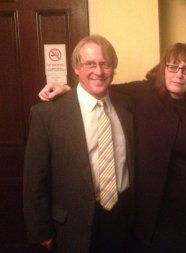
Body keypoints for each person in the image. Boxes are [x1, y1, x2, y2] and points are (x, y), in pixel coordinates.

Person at [38, 43, 186, 252]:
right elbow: (100, 86)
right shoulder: (143, 93)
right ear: (162, 68)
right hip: (149, 213)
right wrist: (66, 89)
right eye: (173, 67)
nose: (179, 74)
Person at [23, 35, 135, 252]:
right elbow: (34, 178)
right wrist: (41, 228)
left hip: (123, 220)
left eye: (105, 64)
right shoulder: (47, 114)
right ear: (76, 68)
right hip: (72, 225)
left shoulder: (127, 105)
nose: (99, 71)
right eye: (90, 64)